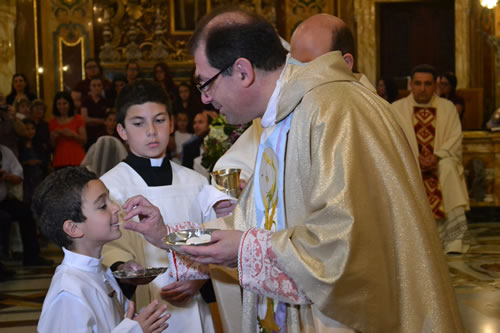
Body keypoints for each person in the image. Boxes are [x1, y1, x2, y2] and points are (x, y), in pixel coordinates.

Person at [127, 10, 465, 333]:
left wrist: (245, 248)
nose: (204, 99)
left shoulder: (335, 110)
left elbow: (346, 250)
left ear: (243, 71)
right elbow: (254, 224)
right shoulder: (282, 119)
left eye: (206, 84)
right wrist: (168, 233)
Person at [100, 81, 229, 333]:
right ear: (122, 131)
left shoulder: (196, 182)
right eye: (138, 123)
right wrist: (123, 268)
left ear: (171, 124)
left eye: (159, 120)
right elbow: (107, 249)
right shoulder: (110, 187)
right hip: (144, 309)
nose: (151, 131)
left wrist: (202, 278)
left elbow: (217, 239)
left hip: (195, 303)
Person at [32, 167, 170, 333]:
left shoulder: (100, 272)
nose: (115, 208)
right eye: (103, 205)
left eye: (110, 199)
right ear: (74, 228)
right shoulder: (69, 294)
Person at [391, 64, 469, 254]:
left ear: (435, 85)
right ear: (410, 85)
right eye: (418, 83)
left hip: (439, 162)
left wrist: (437, 156)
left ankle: (451, 240)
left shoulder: (447, 107)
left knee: (449, 168)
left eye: (427, 84)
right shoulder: (396, 108)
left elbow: (455, 138)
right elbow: (391, 140)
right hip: (409, 163)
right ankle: (410, 239)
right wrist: (414, 160)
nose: (422, 88)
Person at [0, 144, 52, 266]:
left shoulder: (5, 151)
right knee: (3, 219)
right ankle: (2, 262)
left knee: (26, 212)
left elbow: (18, 175)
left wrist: (8, 177)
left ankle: (31, 257)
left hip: (3, 200)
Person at [49, 91, 87, 170]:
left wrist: (73, 135)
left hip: (77, 159)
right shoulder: (52, 122)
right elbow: (52, 146)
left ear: (70, 104)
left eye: (64, 103)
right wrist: (53, 137)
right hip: (60, 160)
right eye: (59, 104)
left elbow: (84, 141)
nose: (62, 106)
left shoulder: (78, 119)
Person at [81, 77, 112, 149]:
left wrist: (91, 120)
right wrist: (101, 120)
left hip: (103, 135)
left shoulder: (106, 102)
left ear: (102, 87)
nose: (96, 88)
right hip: (88, 135)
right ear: (90, 87)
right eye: (94, 85)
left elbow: (108, 120)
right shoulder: (85, 102)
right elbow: (84, 119)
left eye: (99, 85)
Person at [30, 99, 51, 176]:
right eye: (36, 108)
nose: (39, 111)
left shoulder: (45, 125)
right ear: (31, 109)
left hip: (43, 157)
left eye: (41, 109)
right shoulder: (27, 123)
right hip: (30, 154)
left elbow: (48, 142)